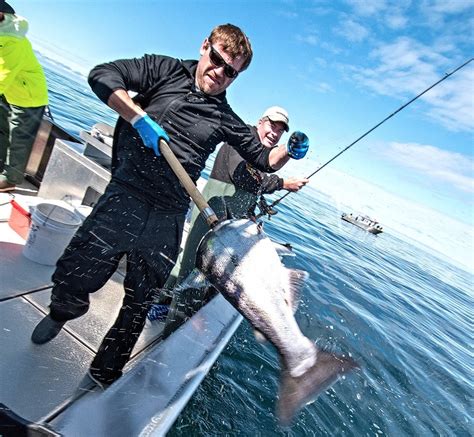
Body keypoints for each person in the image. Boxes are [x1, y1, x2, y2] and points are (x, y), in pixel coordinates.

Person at [30, 23, 310, 388]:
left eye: (231, 73)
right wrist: (137, 116)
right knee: (78, 268)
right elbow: (102, 75)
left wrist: (288, 150)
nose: (220, 74)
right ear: (205, 46)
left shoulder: (223, 116)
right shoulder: (163, 70)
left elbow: (262, 157)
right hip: (125, 195)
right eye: (217, 61)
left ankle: (104, 371)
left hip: (169, 213)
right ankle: (61, 312)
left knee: (141, 302)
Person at [163, 106, 309, 292]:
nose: (275, 133)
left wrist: (249, 215)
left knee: (202, 269)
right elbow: (243, 176)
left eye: (280, 131)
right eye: (272, 126)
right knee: (193, 265)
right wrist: (283, 183)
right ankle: (173, 311)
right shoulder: (243, 137)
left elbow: (260, 176)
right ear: (260, 122)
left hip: (229, 220)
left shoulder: (262, 153)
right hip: (212, 211)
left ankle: (167, 299)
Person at [0, 1, 48, 192]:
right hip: (10, 91)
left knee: (18, 137)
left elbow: (2, 76)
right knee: (2, 130)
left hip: (28, 95)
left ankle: (11, 179)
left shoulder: (13, 41)